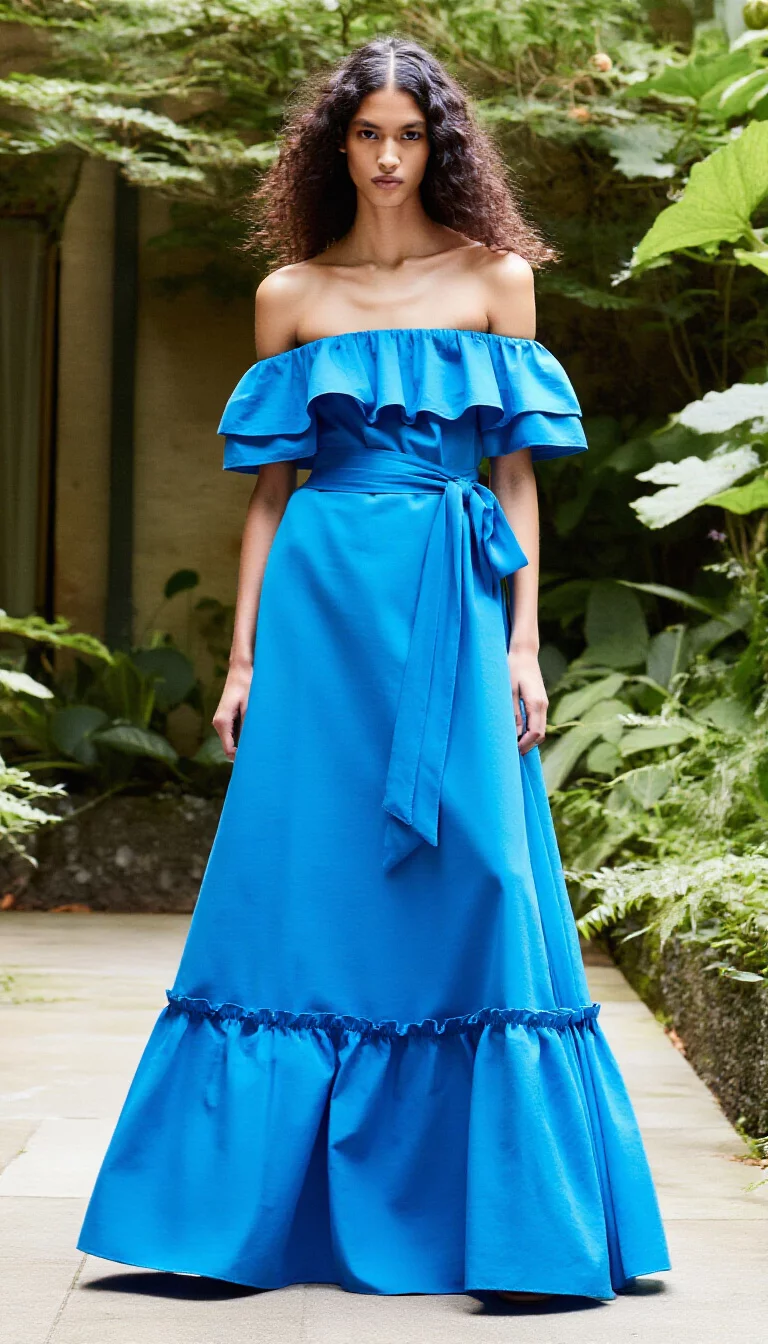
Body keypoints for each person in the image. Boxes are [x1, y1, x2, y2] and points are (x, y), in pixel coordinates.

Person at [76, 36, 670, 1302]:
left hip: (453, 601)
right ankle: (235, 1221)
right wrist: (240, 663)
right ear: (335, 147)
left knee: (485, 869)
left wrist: (523, 639)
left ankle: (512, 1224)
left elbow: (513, 478)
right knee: (300, 877)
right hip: (321, 607)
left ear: (438, 144)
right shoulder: (290, 295)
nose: (390, 158)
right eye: (368, 136)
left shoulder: (498, 278)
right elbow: (266, 501)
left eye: (410, 135)